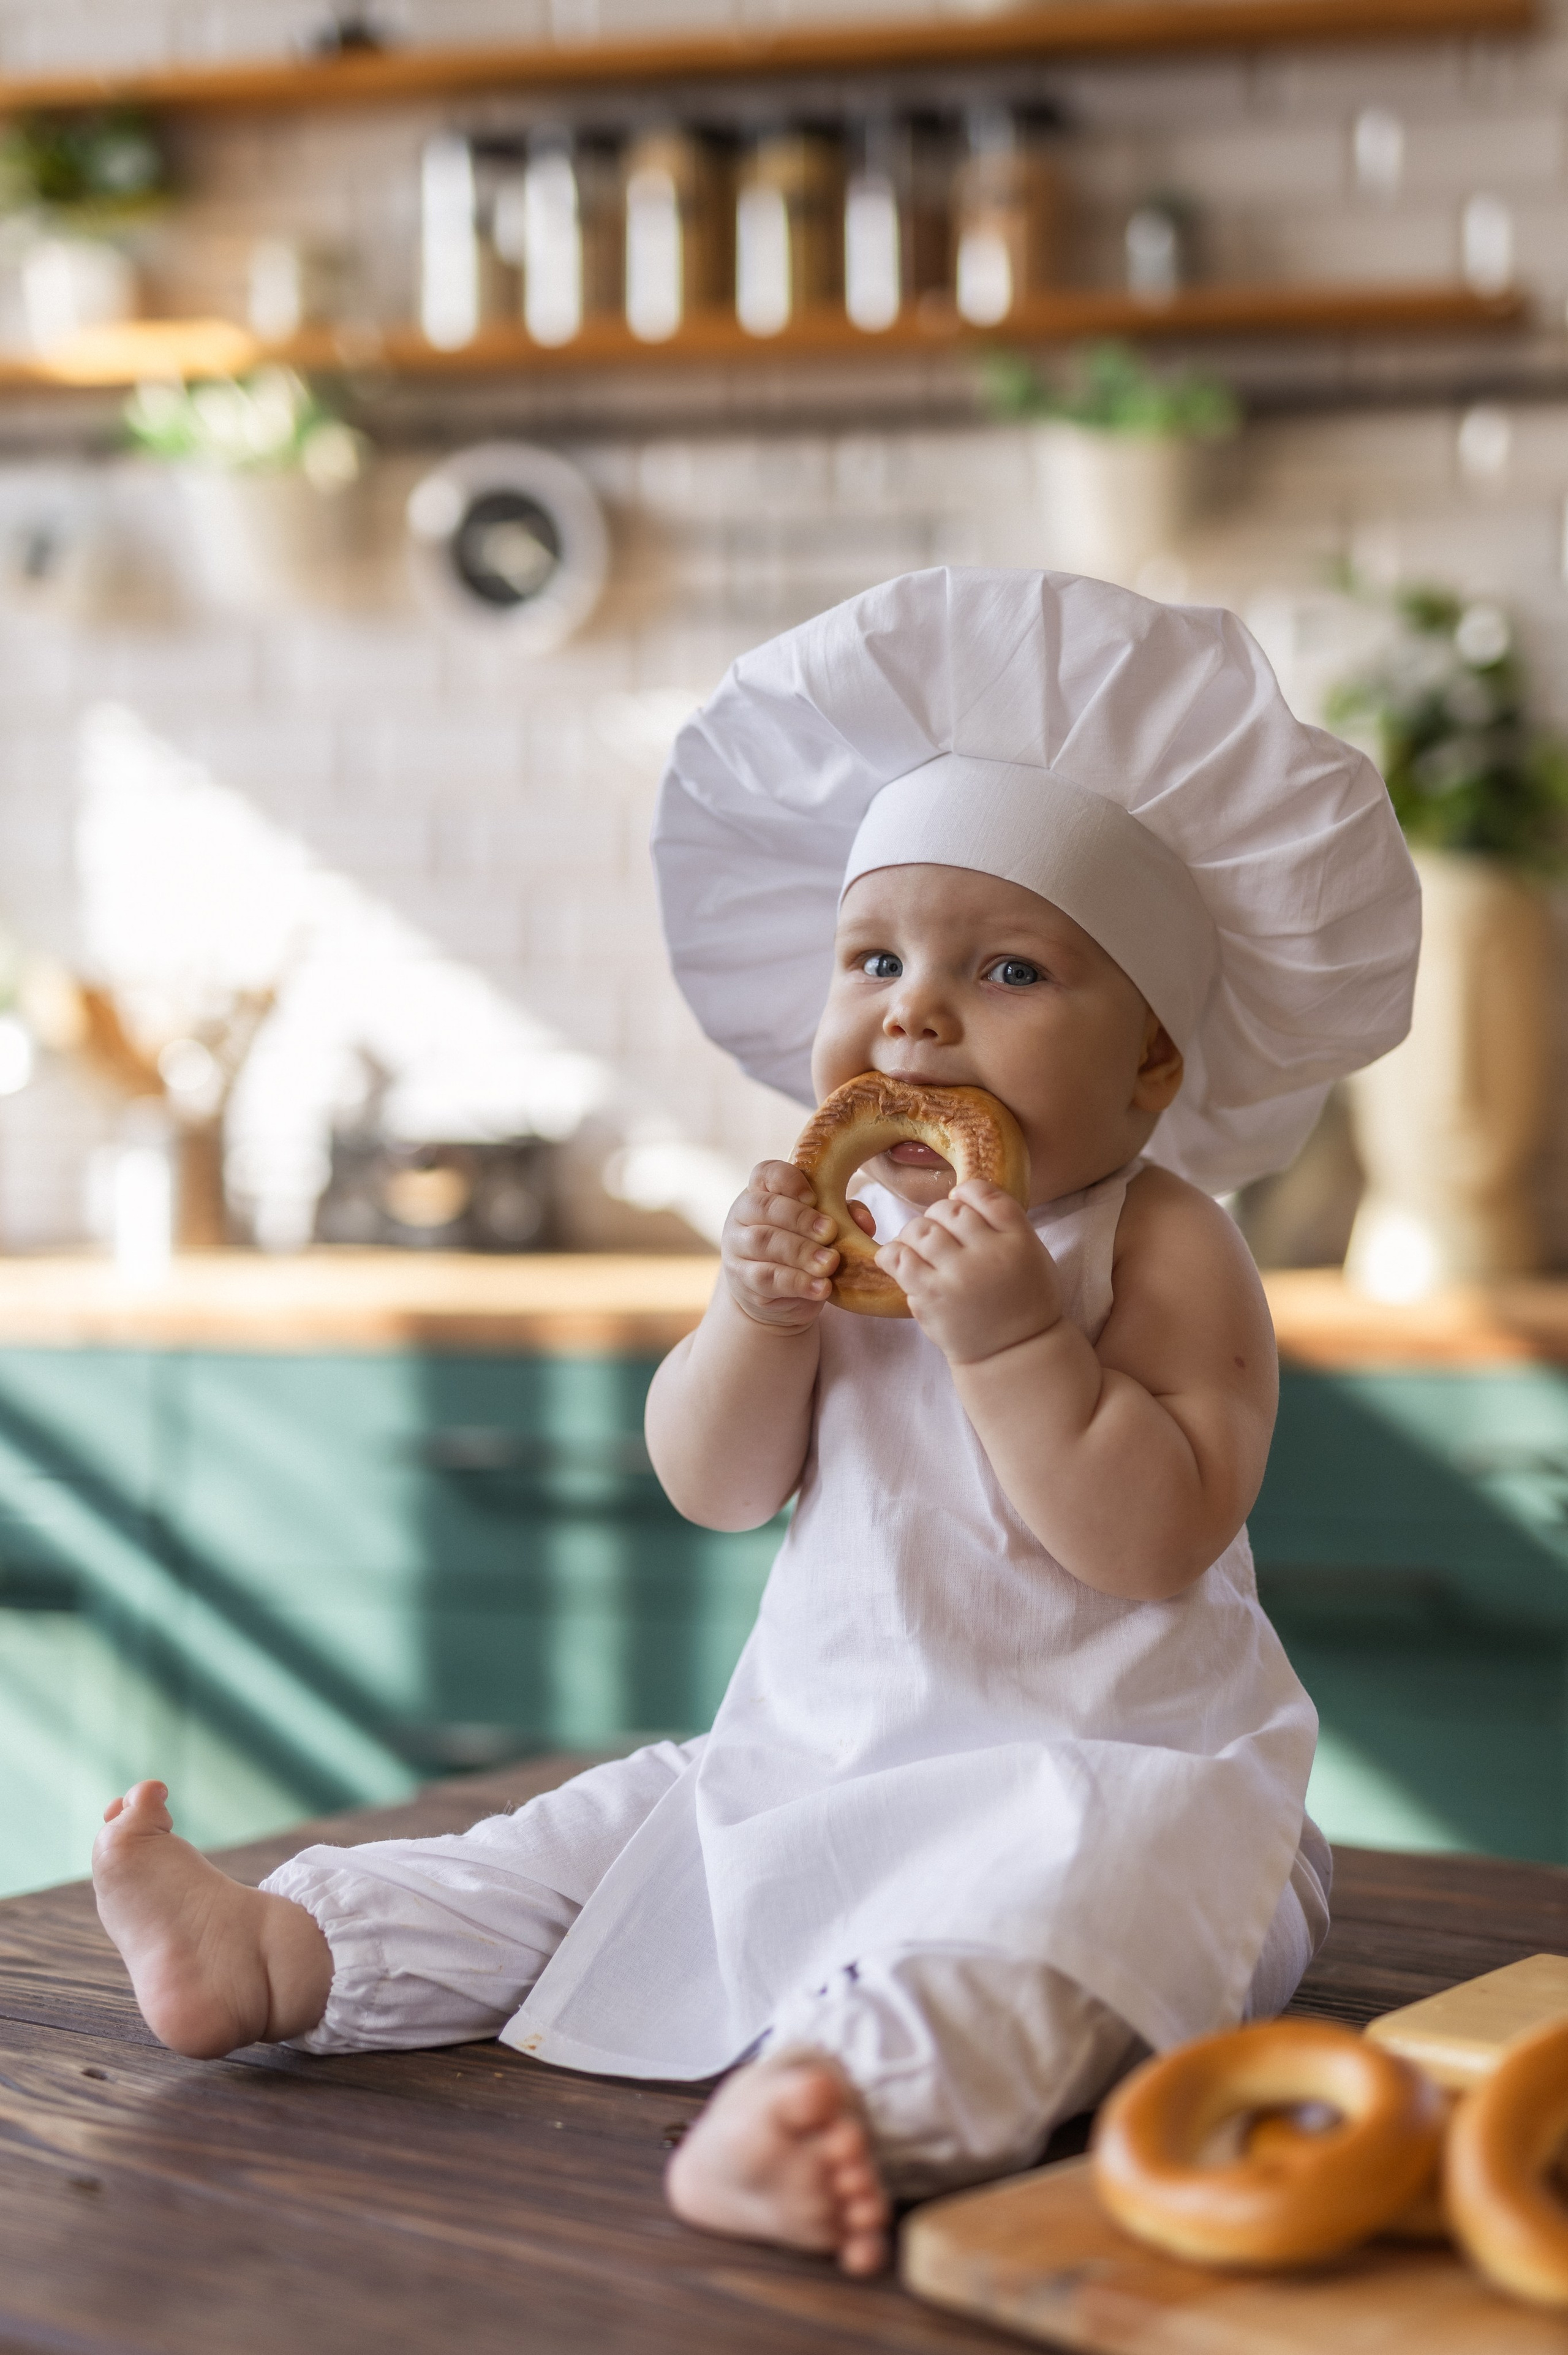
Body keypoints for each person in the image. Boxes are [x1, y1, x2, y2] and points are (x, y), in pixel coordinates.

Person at [92, 569, 1420, 2280]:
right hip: (815, 1749)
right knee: (596, 1841)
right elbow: (711, 1485)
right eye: (876, 958)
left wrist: (1017, 1335)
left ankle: (828, 2104)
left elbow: (1150, 1535)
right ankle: (285, 1953)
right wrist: (755, 1318)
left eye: (1007, 968)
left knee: (1036, 1945)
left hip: (1106, 1784)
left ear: (1154, 1068)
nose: (916, 1012)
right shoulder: (834, 1218)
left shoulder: (1161, 1244)